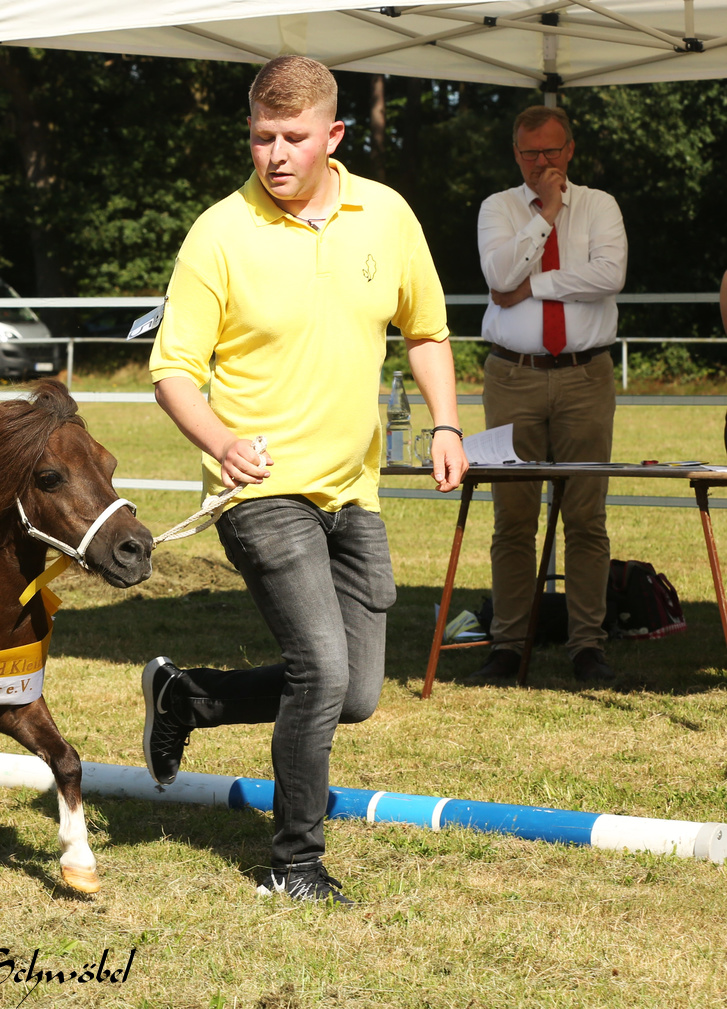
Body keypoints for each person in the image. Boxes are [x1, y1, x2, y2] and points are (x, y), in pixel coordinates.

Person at [142, 55, 467, 906]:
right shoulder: (219, 232)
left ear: (333, 136)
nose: (274, 154)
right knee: (319, 670)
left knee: (354, 692)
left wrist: (445, 423)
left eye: (292, 138)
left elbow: (425, 332)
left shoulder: (386, 216)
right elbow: (173, 370)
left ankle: (187, 695)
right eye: (259, 137)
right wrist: (220, 438)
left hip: (351, 492)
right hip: (259, 493)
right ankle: (293, 863)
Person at [471, 106, 627, 685]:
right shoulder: (499, 208)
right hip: (513, 376)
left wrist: (533, 285)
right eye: (532, 154)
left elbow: (609, 276)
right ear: (517, 155)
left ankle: (588, 645)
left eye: (553, 152)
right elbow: (498, 275)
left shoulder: (602, 205)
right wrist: (547, 216)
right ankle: (510, 644)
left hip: (587, 376)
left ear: (571, 151)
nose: (543, 163)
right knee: (512, 518)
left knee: (586, 516)